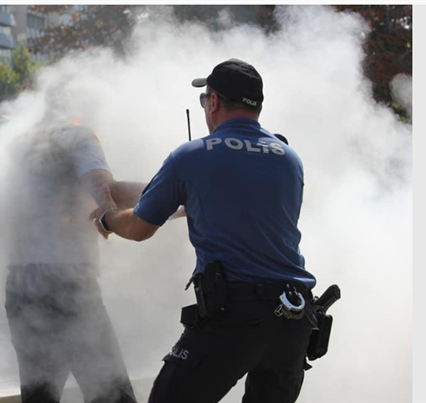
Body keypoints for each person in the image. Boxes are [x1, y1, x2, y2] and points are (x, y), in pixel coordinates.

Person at [91, 58, 318, 403]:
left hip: (235, 316)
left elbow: (138, 227)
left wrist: (107, 217)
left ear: (213, 102)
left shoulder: (192, 156)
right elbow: (239, 203)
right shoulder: (289, 158)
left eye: (204, 99)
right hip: (294, 317)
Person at [4, 87, 144, 403]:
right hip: (67, 283)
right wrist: (177, 195)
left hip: (21, 285)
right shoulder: (77, 135)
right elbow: (104, 187)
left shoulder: (18, 145)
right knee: (111, 393)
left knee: (40, 395)